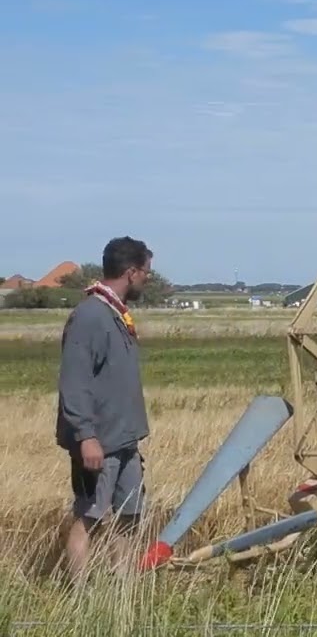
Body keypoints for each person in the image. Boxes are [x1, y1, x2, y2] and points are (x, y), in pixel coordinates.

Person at [56, 236, 153, 578]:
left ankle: (121, 589)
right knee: (89, 517)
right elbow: (74, 381)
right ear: (131, 272)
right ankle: (79, 595)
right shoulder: (90, 316)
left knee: (130, 515)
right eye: (145, 272)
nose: (147, 279)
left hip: (124, 440)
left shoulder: (114, 314)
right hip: (99, 442)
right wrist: (86, 436)